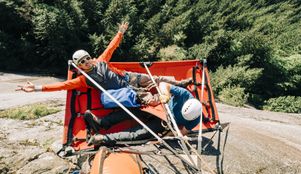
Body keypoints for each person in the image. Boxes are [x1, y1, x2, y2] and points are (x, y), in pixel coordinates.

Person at [16, 22, 192, 106]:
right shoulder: (83, 80)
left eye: (87, 58)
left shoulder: (101, 60)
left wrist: (120, 33)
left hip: (127, 77)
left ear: (90, 57)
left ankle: (179, 84)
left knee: (155, 78)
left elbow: (111, 46)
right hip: (123, 91)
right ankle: (165, 101)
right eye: (82, 62)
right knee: (150, 101)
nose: (86, 62)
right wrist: (38, 88)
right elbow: (62, 85)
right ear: (79, 66)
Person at [86, 82, 202, 146]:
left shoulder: (195, 120)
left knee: (139, 133)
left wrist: (171, 135)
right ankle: (101, 123)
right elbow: (163, 84)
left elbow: (181, 132)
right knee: (130, 112)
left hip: (165, 123)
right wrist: (166, 95)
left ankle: (103, 138)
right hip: (160, 107)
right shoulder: (185, 95)